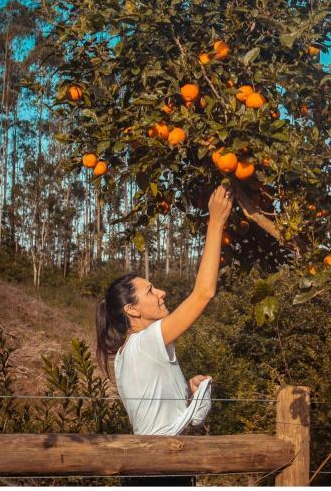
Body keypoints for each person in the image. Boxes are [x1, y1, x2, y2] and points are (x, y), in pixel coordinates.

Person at [96, 184, 233, 486]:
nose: (162, 292)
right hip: (157, 471)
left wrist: (185, 390)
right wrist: (216, 221)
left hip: (159, 466)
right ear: (132, 310)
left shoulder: (132, 350)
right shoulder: (144, 342)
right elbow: (204, 292)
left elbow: (154, 408)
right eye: (150, 291)